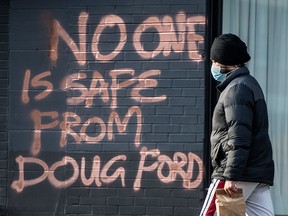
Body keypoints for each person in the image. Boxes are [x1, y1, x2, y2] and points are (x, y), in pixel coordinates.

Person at [199, 33, 275, 216]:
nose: (212, 65)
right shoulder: (249, 83)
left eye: (214, 60)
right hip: (255, 172)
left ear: (224, 62)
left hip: (236, 172)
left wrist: (231, 175)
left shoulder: (236, 89)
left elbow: (239, 136)